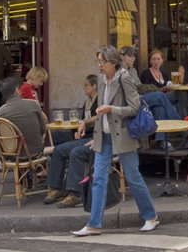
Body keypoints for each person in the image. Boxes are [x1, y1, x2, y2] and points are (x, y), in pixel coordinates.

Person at [72, 45, 159, 237]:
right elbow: (101, 111)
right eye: (98, 62)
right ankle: (94, 224)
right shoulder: (101, 80)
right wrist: (89, 125)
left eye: (103, 62)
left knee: (133, 177)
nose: (100, 65)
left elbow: (134, 108)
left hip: (123, 136)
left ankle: (151, 216)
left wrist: (112, 109)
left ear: (113, 62)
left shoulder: (124, 78)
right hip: (104, 136)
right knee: (98, 179)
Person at [44, 74, 99, 208]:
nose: (84, 87)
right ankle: (55, 188)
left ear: (94, 86)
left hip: (97, 138)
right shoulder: (87, 102)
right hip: (86, 137)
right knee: (58, 150)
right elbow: (82, 121)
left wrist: (85, 123)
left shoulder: (101, 100)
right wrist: (78, 130)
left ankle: (76, 193)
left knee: (76, 152)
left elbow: (100, 117)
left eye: (86, 85)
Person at [121, 46, 184, 148]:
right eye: (130, 56)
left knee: (160, 109)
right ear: (122, 57)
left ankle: (161, 141)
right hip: (132, 101)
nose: (133, 58)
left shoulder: (132, 70)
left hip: (141, 97)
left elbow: (140, 87)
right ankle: (179, 124)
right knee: (160, 95)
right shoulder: (120, 71)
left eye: (134, 56)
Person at [0, 77, 47, 188]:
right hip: (35, 152)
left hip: (13, 155)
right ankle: (29, 178)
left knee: (17, 145)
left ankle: (23, 181)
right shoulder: (33, 104)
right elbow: (43, 129)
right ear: (17, 90)